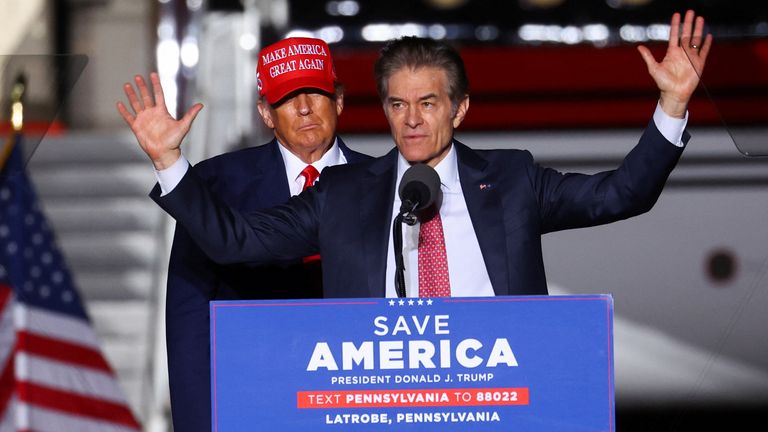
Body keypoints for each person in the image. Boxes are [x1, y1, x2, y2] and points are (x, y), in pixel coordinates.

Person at [120, 11, 711, 300]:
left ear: (459, 110)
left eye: (428, 103)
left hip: (498, 402)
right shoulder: (347, 193)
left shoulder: (509, 180)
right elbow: (235, 243)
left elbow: (622, 193)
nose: (411, 120)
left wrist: (671, 108)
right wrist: (171, 163)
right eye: (398, 104)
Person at [118, 37, 369, 431]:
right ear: (265, 114)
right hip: (257, 402)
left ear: (338, 101)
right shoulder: (216, 185)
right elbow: (190, 316)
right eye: (287, 98)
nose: (304, 108)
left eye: (315, 93)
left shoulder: (387, 184)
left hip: (358, 404)